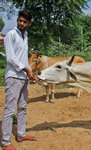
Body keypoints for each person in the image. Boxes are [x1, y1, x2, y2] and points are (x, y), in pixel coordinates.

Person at [1, 9, 37, 150]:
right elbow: (10, 58)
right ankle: (5, 142)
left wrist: (30, 74)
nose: (21, 23)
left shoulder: (25, 35)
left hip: (23, 77)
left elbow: (22, 58)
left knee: (22, 107)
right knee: (10, 110)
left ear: (29, 23)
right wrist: (27, 70)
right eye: (19, 20)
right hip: (13, 77)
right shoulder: (11, 35)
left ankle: (21, 134)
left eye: (24, 22)